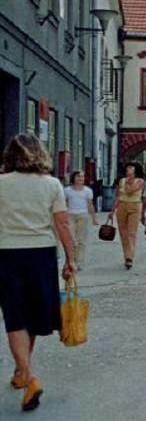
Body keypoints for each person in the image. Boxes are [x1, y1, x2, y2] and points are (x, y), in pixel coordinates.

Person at [0, 134, 76, 411]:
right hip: (41, 254)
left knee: (15, 316)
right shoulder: (51, 184)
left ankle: (24, 372)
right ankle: (27, 374)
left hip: (6, 253)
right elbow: (62, 224)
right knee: (31, 315)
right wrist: (71, 259)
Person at [110, 162, 145, 270]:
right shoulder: (121, 180)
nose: (128, 168)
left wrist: (128, 181)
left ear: (136, 170)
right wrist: (112, 211)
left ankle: (130, 257)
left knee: (131, 232)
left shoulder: (140, 181)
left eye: (131, 167)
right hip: (122, 205)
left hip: (135, 206)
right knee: (123, 232)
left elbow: (130, 191)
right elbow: (118, 196)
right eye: (127, 167)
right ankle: (126, 256)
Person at [64, 171, 97, 271]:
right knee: (72, 239)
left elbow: (90, 204)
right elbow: (64, 203)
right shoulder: (67, 190)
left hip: (83, 215)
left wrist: (93, 218)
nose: (80, 179)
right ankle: (71, 259)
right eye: (78, 176)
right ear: (73, 178)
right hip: (70, 215)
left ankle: (79, 261)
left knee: (81, 239)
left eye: (82, 177)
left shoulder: (87, 191)